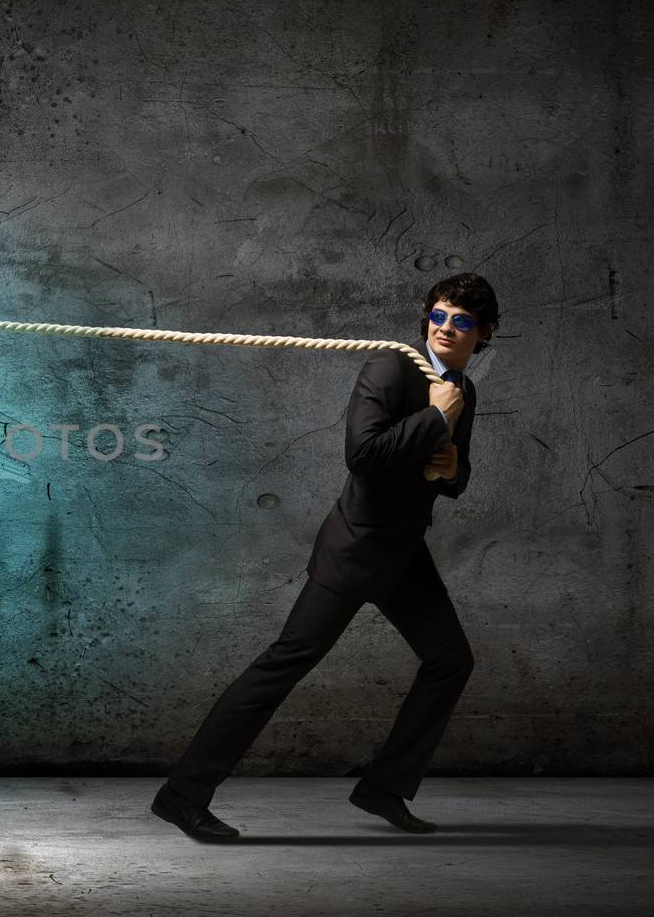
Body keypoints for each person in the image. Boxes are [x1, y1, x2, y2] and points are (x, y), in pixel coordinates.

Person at [153, 273, 500, 840]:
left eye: (460, 322)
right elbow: (361, 456)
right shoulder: (393, 369)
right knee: (282, 665)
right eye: (438, 316)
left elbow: (452, 476)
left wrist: (453, 470)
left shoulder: (464, 390)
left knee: (450, 660)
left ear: (482, 334)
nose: (444, 328)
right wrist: (434, 418)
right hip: (356, 551)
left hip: (403, 555)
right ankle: (181, 794)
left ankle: (384, 788)